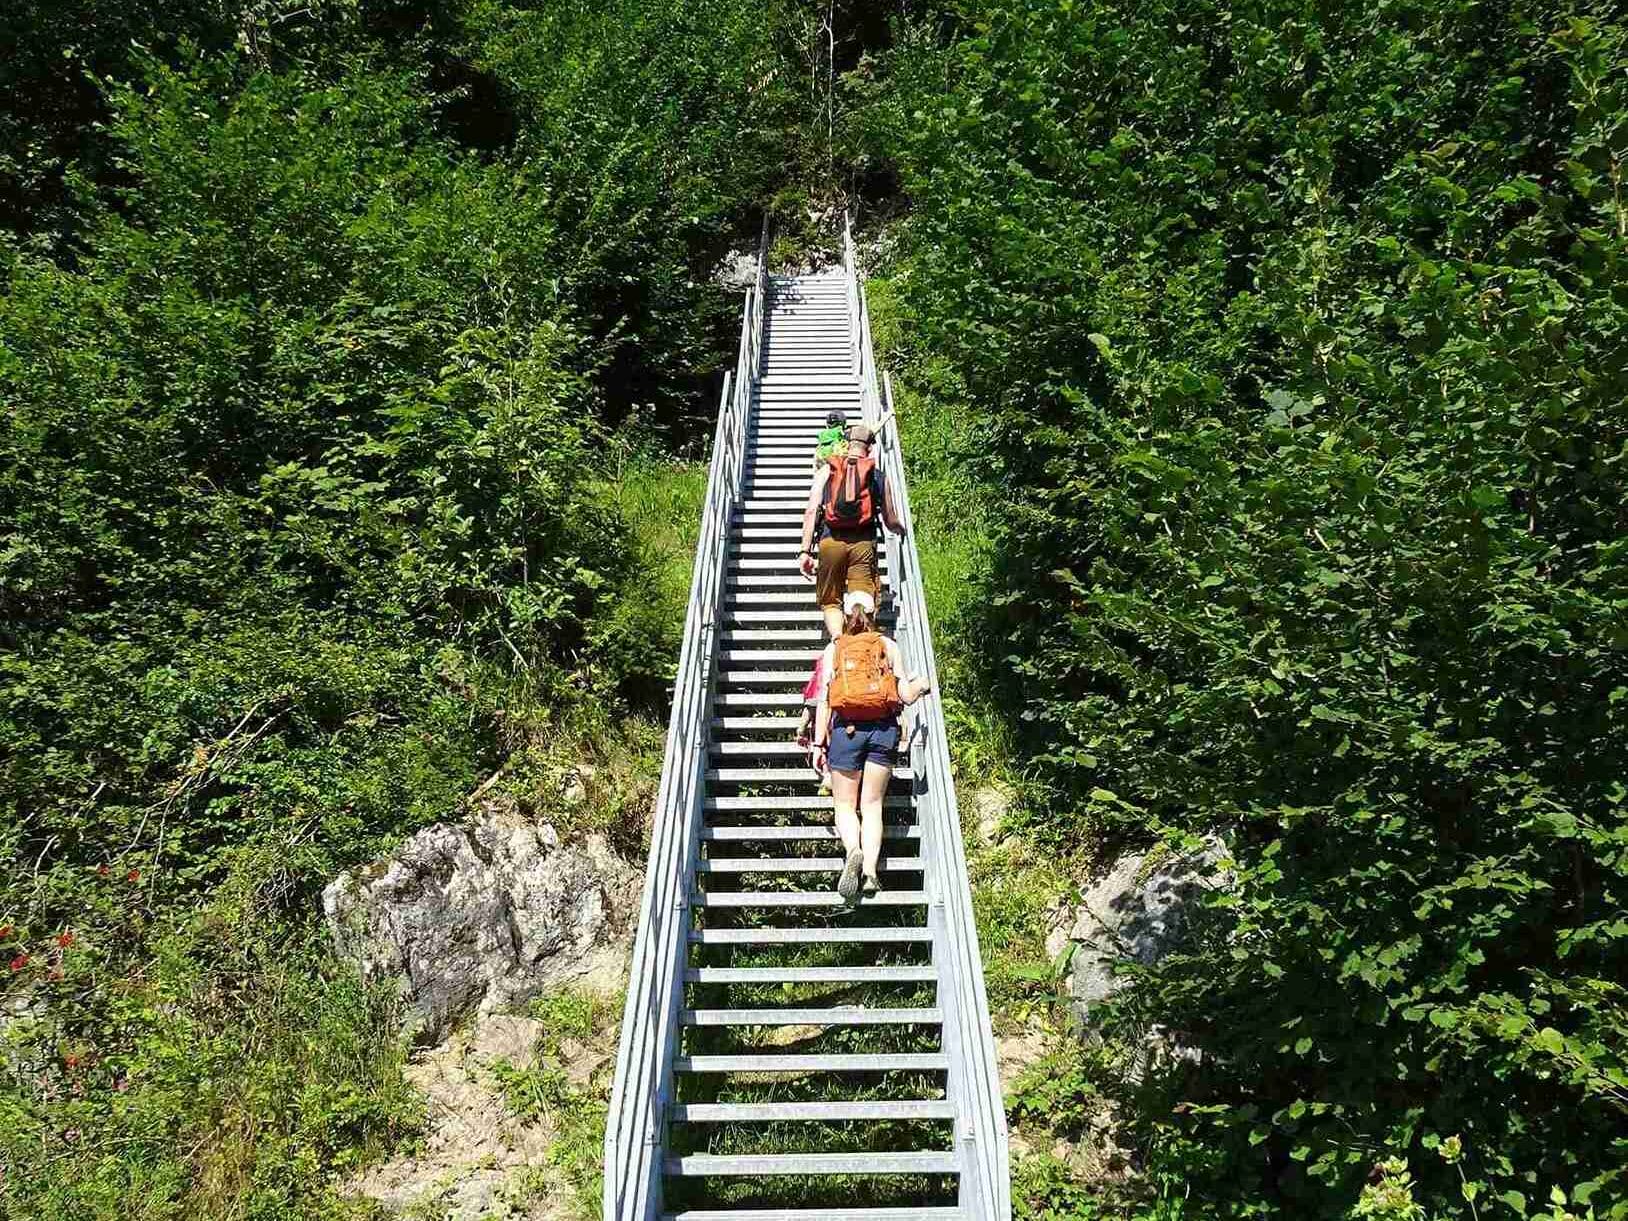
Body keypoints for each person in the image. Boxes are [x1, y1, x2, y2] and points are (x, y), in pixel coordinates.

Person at [812, 590, 932, 901]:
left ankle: (853, 850)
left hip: (846, 731)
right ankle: (870, 872)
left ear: (846, 614)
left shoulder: (834, 649)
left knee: (844, 804)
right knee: (872, 804)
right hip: (882, 730)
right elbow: (904, 694)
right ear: (873, 613)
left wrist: (817, 743)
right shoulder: (887, 646)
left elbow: (825, 699)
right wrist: (923, 684)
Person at [797, 424, 906, 639]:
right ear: (870, 450)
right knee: (861, 598)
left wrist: (805, 552)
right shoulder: (877, 475)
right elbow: (890, 519)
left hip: (831, 542)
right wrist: (902, 529)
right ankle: (861, 644)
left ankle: (838, 641)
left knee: (831, 600)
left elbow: (811, 511)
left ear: (846, 445)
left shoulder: (827, 470)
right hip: (863, 544)